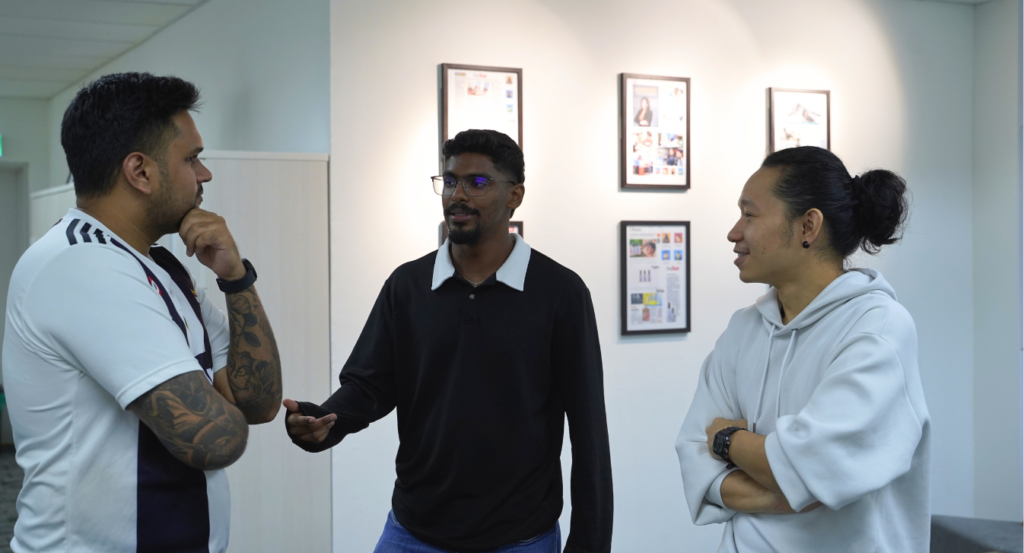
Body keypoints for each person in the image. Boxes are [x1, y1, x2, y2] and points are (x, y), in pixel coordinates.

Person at [284, 129, 613, 553]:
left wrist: (589, 544)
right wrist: (325, 419)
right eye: (450, 180)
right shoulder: (408, 285)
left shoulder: (560, 293)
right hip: (413, 531)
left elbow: (588, 431)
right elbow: (370, 384)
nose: (458, 194)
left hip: (519, 538)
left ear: (515, 195)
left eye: (477, 183)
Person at [2, 72, 283, 553]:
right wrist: (219, 401)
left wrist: (236, 277)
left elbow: (258, 402)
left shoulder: (159, 263)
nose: (205, 175)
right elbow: (215, 439)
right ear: (140, 171)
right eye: (192, 159)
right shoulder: (82, 264)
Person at [676, 146, 930, 552]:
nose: (734, 232)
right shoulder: (744, 330)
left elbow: (814, 461)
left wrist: (725, 439)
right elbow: (692, 452)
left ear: (808, 226)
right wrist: (783, 488)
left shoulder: (878, 329)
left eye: (750, 214)